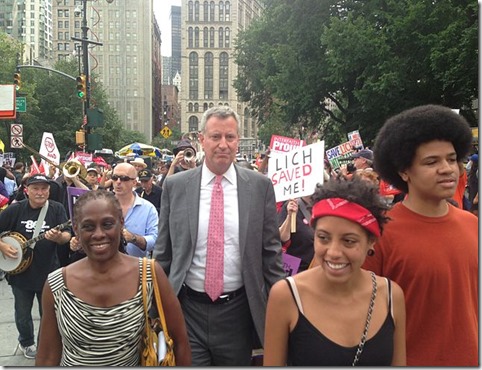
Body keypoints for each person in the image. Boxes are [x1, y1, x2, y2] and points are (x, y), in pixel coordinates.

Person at [153, 106, 285, 366]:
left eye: (230, 137)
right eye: (215, 137)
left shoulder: (260, 187)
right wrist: (154, 307)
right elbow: (163, 253)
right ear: (201, 140)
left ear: (238, 140)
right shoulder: (176, 186)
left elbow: (271, 254)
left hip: (238, 313)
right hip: (186, 310)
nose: (223, 144)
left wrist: (283, 303)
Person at [363, 104, 478, 366]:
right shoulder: (380, 235)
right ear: (404, 171)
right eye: (431, 161)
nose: (447, 168)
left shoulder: (472, 225)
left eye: (451, 159)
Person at [35, 190, 191, 366]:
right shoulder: (57, 284)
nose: (99, 234)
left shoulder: (149, 273)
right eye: (88, 226)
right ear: (76, 230)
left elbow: (180, 341)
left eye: (108, 224)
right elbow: (47, 356)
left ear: (121, 224)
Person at [264, 178, 406, 366]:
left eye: (349, 241)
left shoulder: (390, 295)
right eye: (323, 238)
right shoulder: (286, 295)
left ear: (371, 241)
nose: (333, 253)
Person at [0, 174, 71, 359]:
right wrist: (3, 246)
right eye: (36, 188)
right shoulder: (15, 210)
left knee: (48, 313)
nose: (40, 192)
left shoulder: (57, 208)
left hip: (49, 271)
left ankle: (45, 344)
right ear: (27, 190)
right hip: (20, 274)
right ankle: (26, 342)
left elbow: (67, 236)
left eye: (44, 188)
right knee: (22, 313)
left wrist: (58, 237)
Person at [112, 162, 158, 257]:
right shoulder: (102, 206)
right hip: (106, 266)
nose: (118, 182)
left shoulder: (148, 208)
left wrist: (134, 238)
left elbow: (154, 240)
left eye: (124, 178)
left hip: (136, 267)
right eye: (115, 178)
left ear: (134, 182)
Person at [278, 196, 314, 273]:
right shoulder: (291, 205)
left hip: (318, 268)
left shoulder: (324, 205)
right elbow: (281, 238)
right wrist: (290, 216)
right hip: (297, 268)